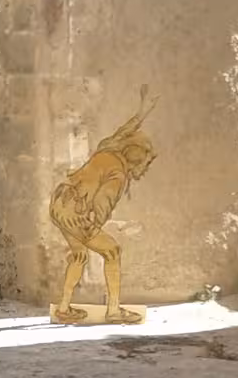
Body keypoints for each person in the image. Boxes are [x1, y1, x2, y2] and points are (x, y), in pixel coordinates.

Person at [49, 92, 157, 324]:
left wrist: (142, 112)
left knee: (78, 255)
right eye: (146, 163)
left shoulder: (106, 148)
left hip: (60, 202)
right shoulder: (118, 174)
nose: (145, 169)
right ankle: (114, 310)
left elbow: (123, 132)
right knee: (112, 252)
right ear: (136, 158)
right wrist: (94, 227)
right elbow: (102, 204)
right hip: (75, 212)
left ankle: (64, 308)